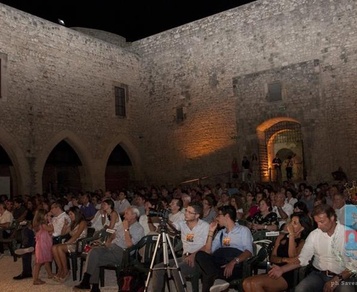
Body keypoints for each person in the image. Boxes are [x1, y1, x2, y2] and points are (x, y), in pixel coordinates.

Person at [268, 204, 357, 292]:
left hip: (343, 276)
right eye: (316, 222)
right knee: (300, 289)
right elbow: (303, 259)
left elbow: (354, 264)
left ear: (332, 218)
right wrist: (282, 270)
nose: (318, 226)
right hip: (319, 274)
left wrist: (337, 279)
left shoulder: (349, 235)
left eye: (321, 222)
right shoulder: (314, 234)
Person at [74, 206, 144, 292]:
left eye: (127, 213)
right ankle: (91, 284)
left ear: (134, 216)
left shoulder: (139, 228)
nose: (124, 216)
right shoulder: (123, 224)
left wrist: (126, 229)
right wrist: (108, 241)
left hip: (123, 253)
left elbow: (129, 245)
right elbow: (114, 234)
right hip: (112, 247)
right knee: (93, 252)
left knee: (95, 258)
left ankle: (90, 284)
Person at [243, 212, 313, 292]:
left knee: (254, 283)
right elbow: (272, 257)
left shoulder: (302, 242)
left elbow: (292, 256)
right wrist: (284, 260)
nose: (290, 225)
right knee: (246, 283)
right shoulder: (281, 236)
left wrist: (291, 235)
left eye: (295, 223)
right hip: (274, 269)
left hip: (289, 273)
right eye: (291, 222)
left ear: (302, 228)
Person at [150, 202, 209, 292]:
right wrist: (166, 220)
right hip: (184, 257)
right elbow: (173, 227)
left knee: (176, 270)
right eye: (186, 211)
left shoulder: (204, 226)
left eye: (189, 212)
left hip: (198, 258)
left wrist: (193, 255)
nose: (186, 213)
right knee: (157, 268)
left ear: (197, 215)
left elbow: (207, 246)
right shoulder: (182, 223)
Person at [195, 205, 254, 292]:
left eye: (219, 215)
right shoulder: (220, 233)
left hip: (234, 265)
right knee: (200, 255)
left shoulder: (243, 230)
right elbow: (208, 251)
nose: (216, 218)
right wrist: (211, 232)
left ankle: (214, 276)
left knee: (208, 275)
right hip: (219, 263)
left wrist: (233, 262)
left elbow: (249, 251)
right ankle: (215, 276)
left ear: (227, 216)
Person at [52, 206, 87, 282]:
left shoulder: (82, 222)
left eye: (71, 214)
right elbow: (62, 234)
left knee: (59, 248)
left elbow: (77, 235)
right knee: (54, 248)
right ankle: (60, 269)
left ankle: (66, 270)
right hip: (72, 243)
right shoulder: (72, 223)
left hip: (79, 245)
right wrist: (65, 225)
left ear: (76, 214)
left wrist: (67, 242)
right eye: (69, 214)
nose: (70, 216)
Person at [32, 208, 55, 285]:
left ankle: (50, 274)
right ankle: (35, 279)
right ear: (42, 216)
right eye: (46, 215)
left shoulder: (39, 224)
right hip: (43, 245)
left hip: (43, 244)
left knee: (46, 260)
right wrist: (50, 221)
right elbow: (51, 229)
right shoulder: (43, 225)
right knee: (39, 263)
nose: (47, 216)